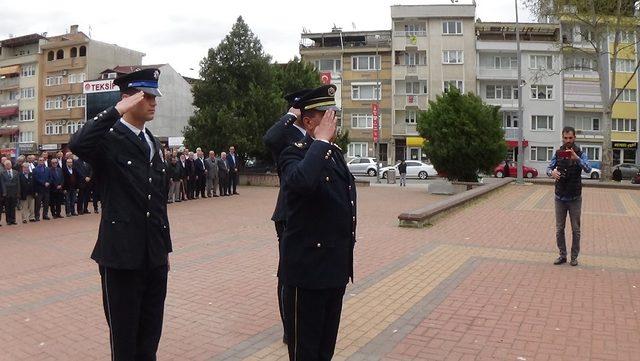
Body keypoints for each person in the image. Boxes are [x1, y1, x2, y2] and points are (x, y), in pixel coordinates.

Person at [68, 68, 172, 361]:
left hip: (153, 256)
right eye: (147, 96)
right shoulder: (108, 139)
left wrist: (163, 250)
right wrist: (114, 111)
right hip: (122, 257)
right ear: (129, 98)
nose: (154, 102)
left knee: (150, 337)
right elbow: (78, 144)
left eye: (155, 97)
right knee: (125, 341)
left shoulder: (151, 141)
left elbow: (157, 201)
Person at [278, 84, 357, 361]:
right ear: (309, 121)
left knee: (325, 351)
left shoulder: (333, 153)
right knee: (305, 353)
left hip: (334, 271)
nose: (332, 119)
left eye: (333, 113)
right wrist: (321, 142)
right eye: (326, 114)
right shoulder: (293, 153)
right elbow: (301, 184)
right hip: (307, 273)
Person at [263, 88, 310, 344]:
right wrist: (289, 116)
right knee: (288, 272)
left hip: (310, 212)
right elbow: (269, 139)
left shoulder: (313, 135)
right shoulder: (286, 135)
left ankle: (305, 318)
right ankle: (288, 326)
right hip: (288, 212)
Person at [547, 126, 591, 267]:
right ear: (562, 138)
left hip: (575, 198)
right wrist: (551, 173)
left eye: (570, 138)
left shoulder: (581, 153)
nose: (568, 141)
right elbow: (548, 168)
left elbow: (588, 169)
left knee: (576, 230)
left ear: (574, 138)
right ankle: (562, 255)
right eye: (565, 138)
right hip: (559, 197)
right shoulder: (558, 153)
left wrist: (576, 158)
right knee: (560, 229)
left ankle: (574, 257)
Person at [1, 160, 20, 225]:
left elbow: (18, 183)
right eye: (6, 165)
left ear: (11, 165)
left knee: (13, 207)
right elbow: (2, 183)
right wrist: (4, 192)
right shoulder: (2, 173)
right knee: (7, 207)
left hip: (14, 192)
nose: (8, 166)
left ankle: (13, 220)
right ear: (5, 166)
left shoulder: (16, 172)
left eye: (9, 164)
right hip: (7, 192)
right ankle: (8, 220)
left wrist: (18, 192)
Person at [33, 157, 51, 221]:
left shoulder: (47, 169)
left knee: (46, 203)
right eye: (40, 160)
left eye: (43, 160)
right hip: (39, 189)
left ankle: (45, 215)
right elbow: (36, 178)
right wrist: (44, 183)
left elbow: (50, 177)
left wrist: (48, 182)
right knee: (38, 204)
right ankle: (37, 216)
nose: (41, 161)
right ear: (38, 161)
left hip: (46, 189)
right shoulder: (35, 169)